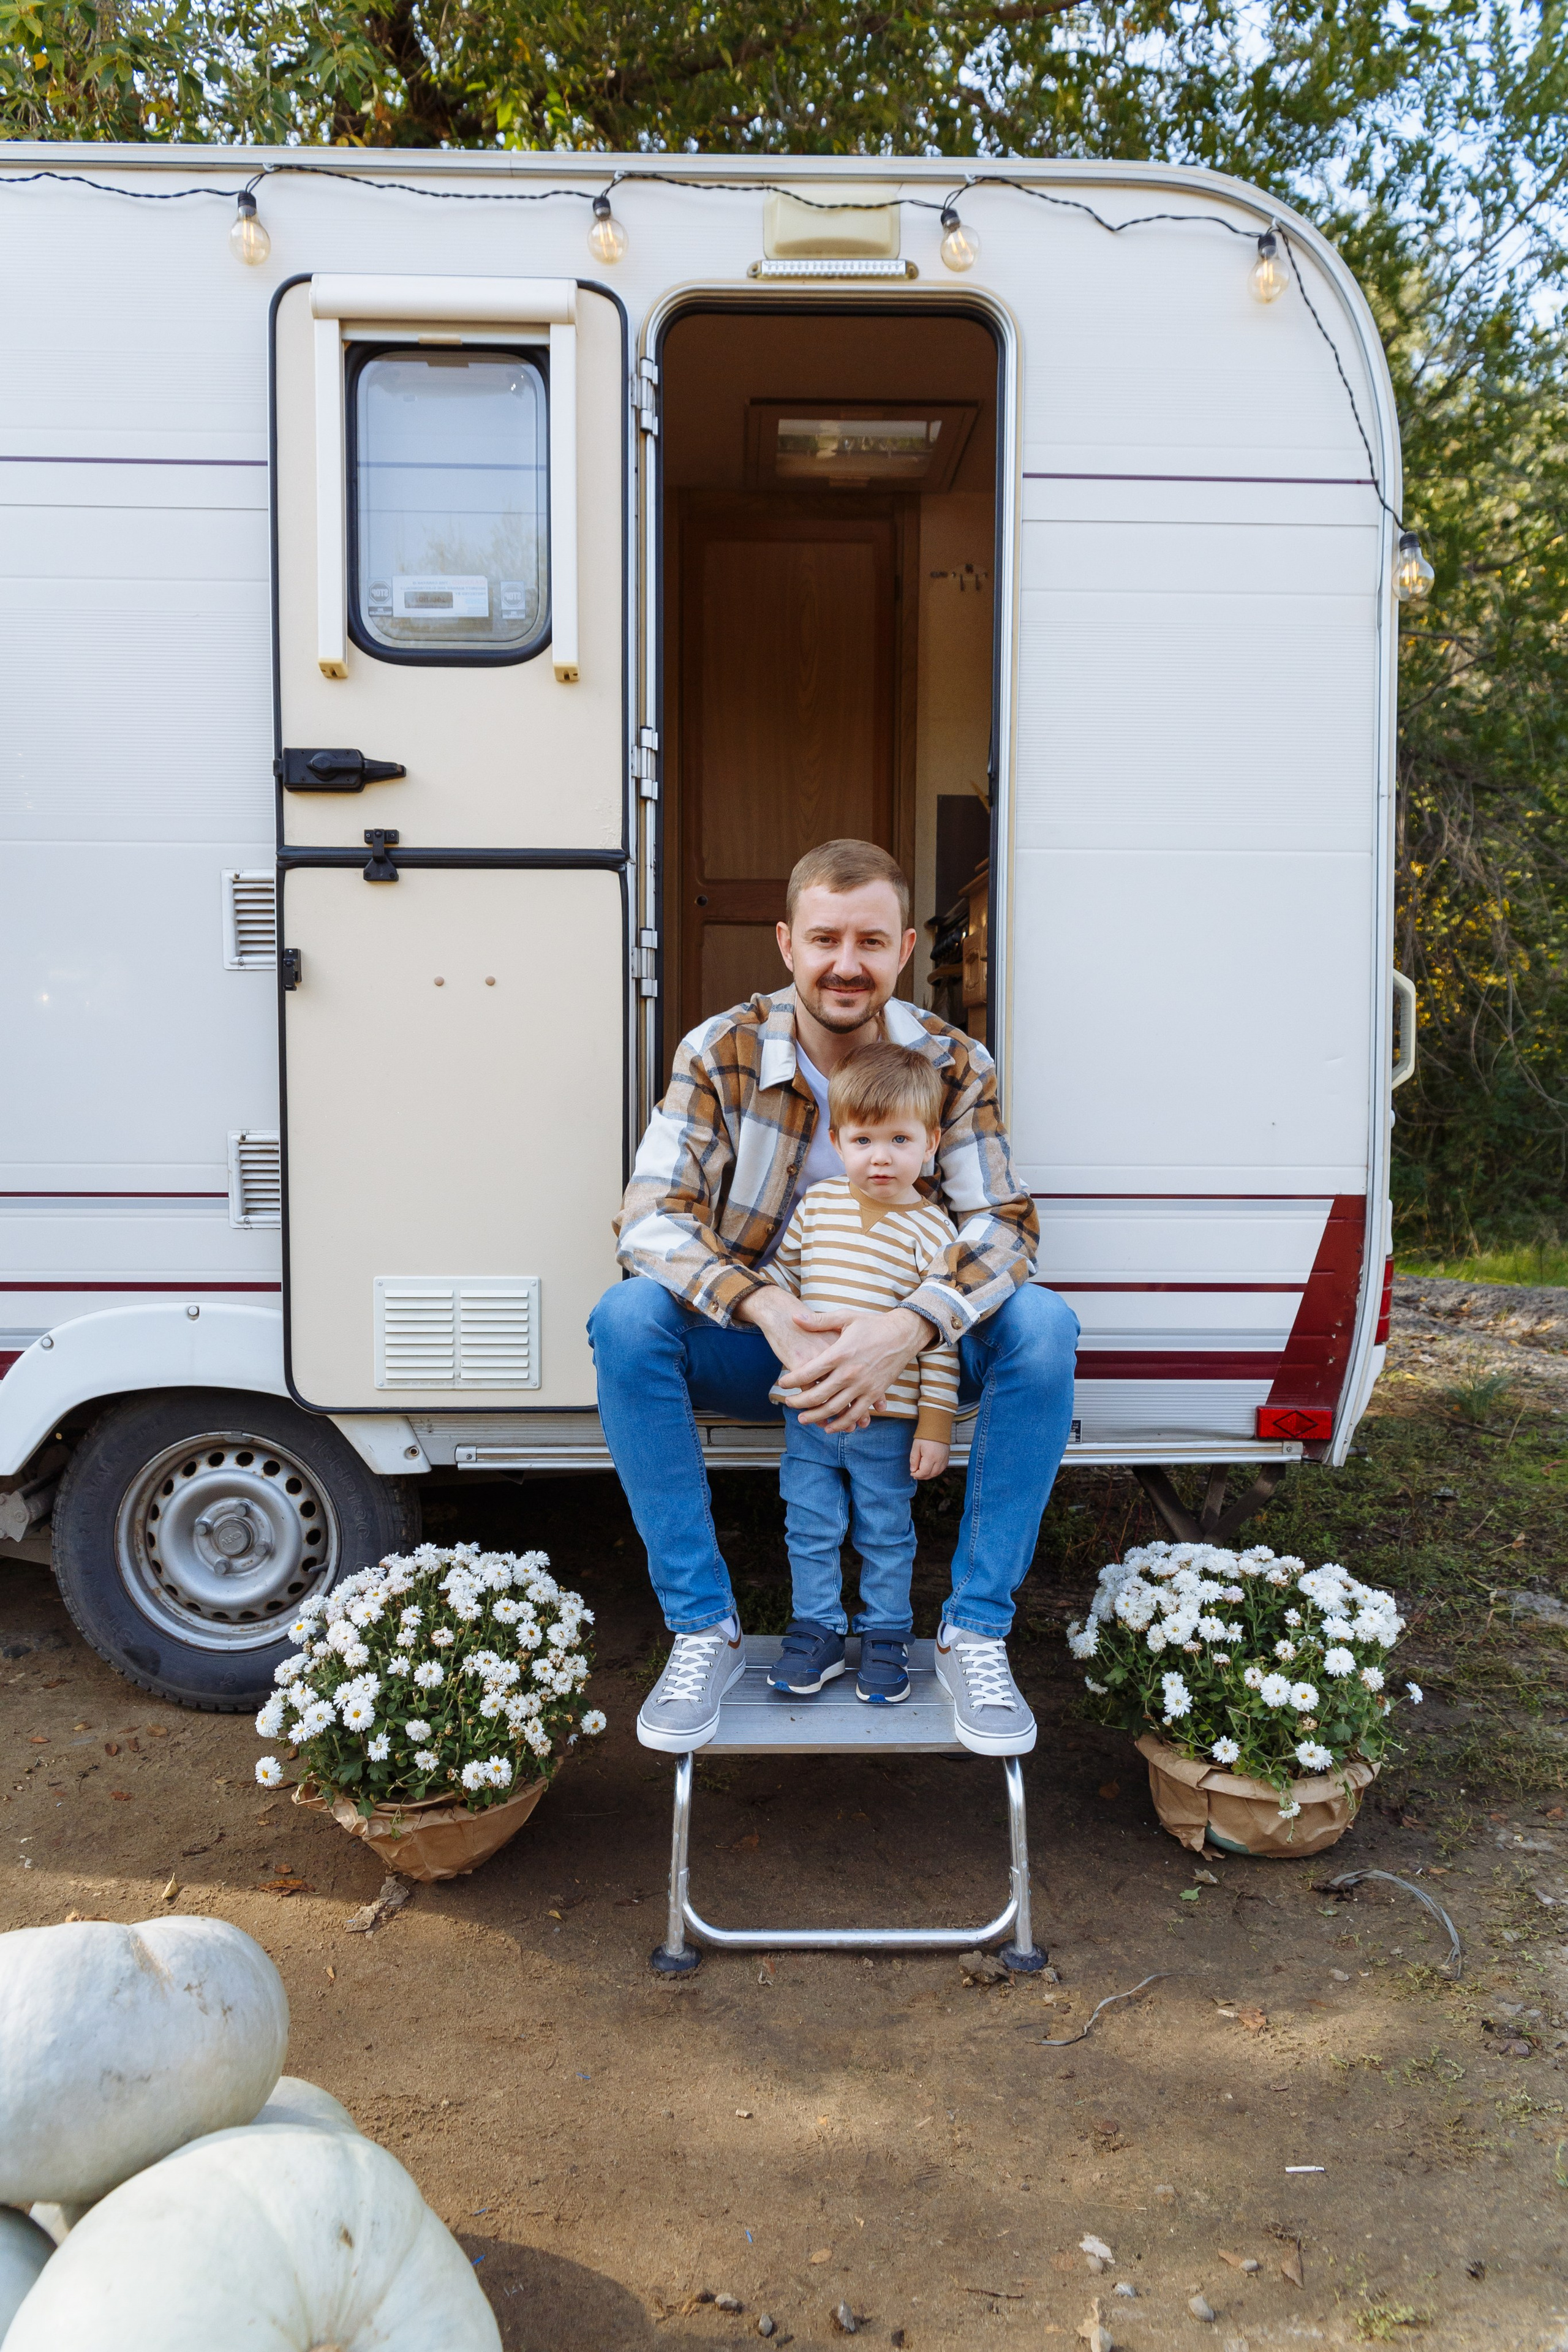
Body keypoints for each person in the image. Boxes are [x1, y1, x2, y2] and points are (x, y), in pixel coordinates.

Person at [588, 837, 1078, 1758]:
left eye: (870, 942)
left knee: (1046, 1328)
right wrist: (767, 1312)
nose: (845, 965)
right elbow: (648, 1220)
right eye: (824, 940)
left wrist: (907, 1327)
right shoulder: (722, 1050)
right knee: (626, 1318)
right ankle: (706, 1629)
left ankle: (974, 1632)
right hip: (767, 1344)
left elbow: (1005, 1225)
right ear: (786, 943)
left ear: (901, 950)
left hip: (913, 1351)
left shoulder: (953, 1062)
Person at [763, 1041, 960, 1709]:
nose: (881, 1157)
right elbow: (783, 1280)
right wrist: (771, 1304)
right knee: (810, 1526)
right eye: (863, 1139)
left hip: (889, 1421)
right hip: (811, 1415)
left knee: (884, 1530)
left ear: (930, 1143)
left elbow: (938, 1341)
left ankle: (885, 1636)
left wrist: (935, 1428)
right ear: (835, 1139)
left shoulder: (934, 1232)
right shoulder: (817, 1206)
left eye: (899, 1139)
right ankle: (816, 1630)